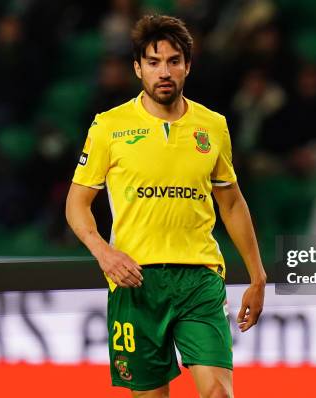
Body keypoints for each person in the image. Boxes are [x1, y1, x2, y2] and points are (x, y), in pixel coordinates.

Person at [65, 15, 266, 398]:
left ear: (187, 66)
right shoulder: (109, 127)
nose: (164, 71)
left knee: (218, 394)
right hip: (136, 281)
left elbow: (232, 202)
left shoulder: (213, 126)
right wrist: (103, 252)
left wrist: (257, 277)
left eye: (174, 61)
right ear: (137, 68)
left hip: (199, 278)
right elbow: (77, 202)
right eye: (154, 62)